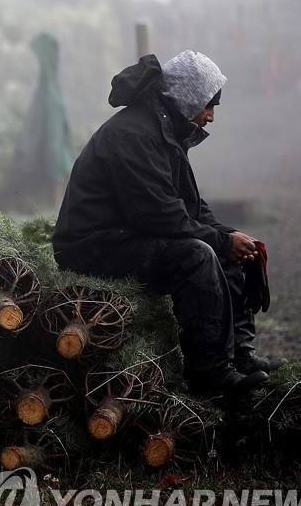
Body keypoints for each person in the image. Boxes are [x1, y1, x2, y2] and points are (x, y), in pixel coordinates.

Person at [52, 50, 285, 398]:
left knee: (227, 247)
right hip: (91, 246)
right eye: (208, 105)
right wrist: (219, 242)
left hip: (127, 235)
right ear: (187, 98)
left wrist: (228, 237)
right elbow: (157, 214)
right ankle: (211, 375)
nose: (211, 116)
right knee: (197, 256)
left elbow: (189, 206)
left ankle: (240, 356)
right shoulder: (134, 134)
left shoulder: (164, 130)